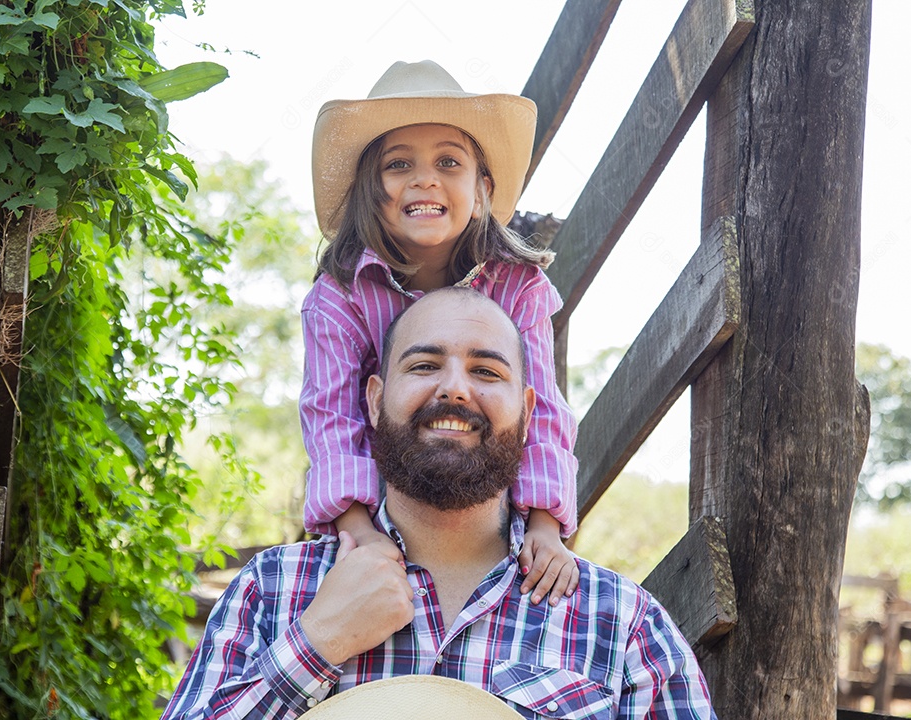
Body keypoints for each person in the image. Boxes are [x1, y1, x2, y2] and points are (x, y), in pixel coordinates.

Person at [161, 288, 718, 719]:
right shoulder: (274, 590)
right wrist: (317, 642)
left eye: (486, 371)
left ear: (527, 411)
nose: (454, 389)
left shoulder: (622, 623)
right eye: (425, 366)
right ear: (376, 399)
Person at [301, 59, 579, 606]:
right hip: (386, 491)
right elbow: (330, 415)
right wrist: (356, 525)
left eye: (448, 162)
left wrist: (546, 524)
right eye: (398, 164)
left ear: (481, 189)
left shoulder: (518, 284)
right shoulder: (340, 296)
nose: (424, 178)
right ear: (369, 191)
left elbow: (541, 405)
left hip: (484, 493)